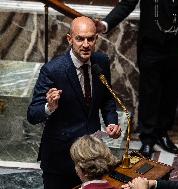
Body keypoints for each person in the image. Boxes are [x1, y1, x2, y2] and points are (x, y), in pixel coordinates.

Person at [96, 0, 178, 158]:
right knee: (149, 93)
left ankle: (163, 133)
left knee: (171, 92)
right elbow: (127, 4)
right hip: (152, 45)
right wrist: (106, 23)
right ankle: (148, 139)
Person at [27, 16, 122, 189]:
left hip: (91, 159)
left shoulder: (101, 62)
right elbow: (33, 114)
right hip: (60, 160)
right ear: (70, 39)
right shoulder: (53, 70)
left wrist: (112, 122)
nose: (86, 44)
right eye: (80, 38)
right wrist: (49, 107)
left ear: (96, 39)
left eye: (90, 39)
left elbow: (107, 98)